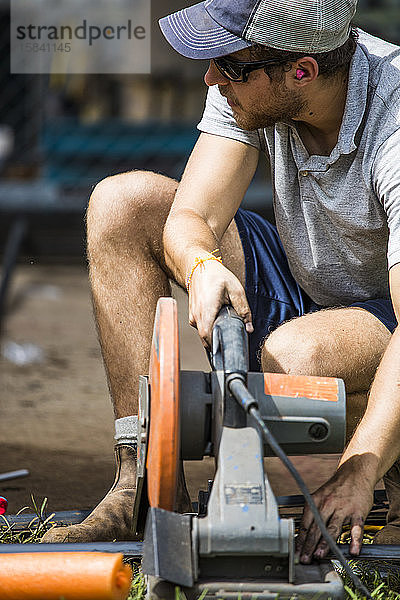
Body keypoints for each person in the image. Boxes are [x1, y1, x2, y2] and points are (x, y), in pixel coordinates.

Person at [42, 0, 400, 561]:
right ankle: (141, 483)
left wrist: (361, 467)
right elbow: (192, 219)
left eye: (227, 66)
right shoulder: (253, 78)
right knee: (122, 203)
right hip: (309, 272)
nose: (210, 76)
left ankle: (393, 471)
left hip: (389, 312)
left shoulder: (394, 124)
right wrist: (202, 266)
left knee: (292, 362)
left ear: (301, 70)